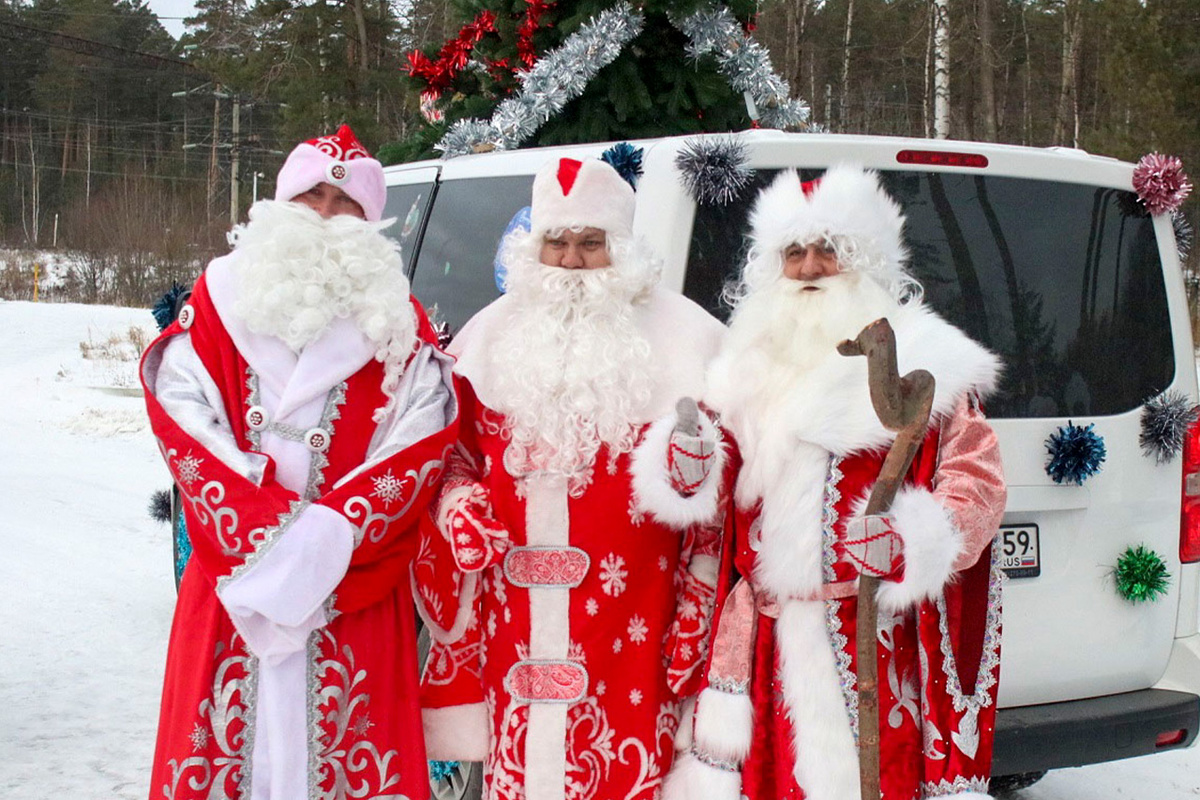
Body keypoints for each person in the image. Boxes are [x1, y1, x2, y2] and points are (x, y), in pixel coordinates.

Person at [668, 165, 1007, 800]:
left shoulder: (930, 363)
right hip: (768, 649)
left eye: (829, 250)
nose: (810, 268)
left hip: (877, 639)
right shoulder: (742, 370)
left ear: (865, 264)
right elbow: (714, 500)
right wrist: (688, 465)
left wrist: (915, 540)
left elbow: (976, 479)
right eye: (794, 253)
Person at [140, 124, 459, 800]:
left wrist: (326, 541)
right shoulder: (219, 300)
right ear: (281, 205)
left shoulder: (397, 324)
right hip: (235, 584)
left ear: (370, 221)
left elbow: (423, 434)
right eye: (310, 196)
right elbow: (182, 410)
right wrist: (268, 536)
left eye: (343, 204)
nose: (324, 215)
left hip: (352, 591)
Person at [411, 154, 735, 800]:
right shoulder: (488, 337)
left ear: (620, 248)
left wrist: (699, 599)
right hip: (513, 624)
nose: (571, 261)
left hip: (637, 626)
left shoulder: (693, 341)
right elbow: (447, 455)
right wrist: (458, 505)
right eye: (556, 243)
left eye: (590, 244)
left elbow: (729, 493)